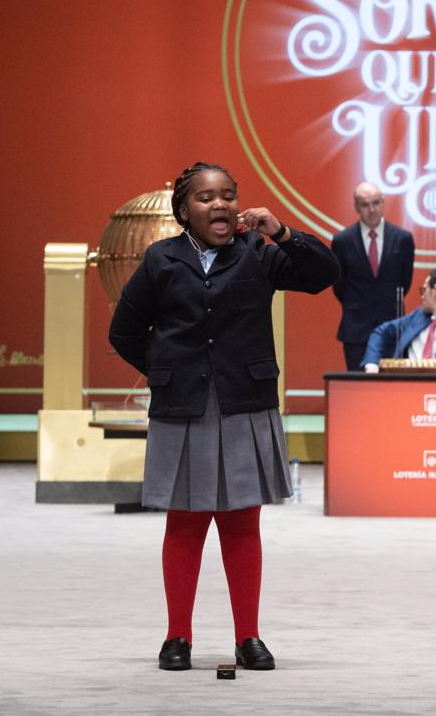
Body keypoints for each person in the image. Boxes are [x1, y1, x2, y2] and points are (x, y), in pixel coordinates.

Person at [109, 161, 340, 672]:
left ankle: (249, 637)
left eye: (229, 195)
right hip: (183, 408)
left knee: (242, 526)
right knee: (184, 525)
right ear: (184, 210)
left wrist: (280, 231)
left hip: (244, 402)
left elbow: (325, 274)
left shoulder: (258, 252)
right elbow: (124, 332)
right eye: (207, 197)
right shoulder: (160, 259)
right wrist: (164, 369)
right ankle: (177, 638)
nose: (221, 205)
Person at [331, 182, 416, 370]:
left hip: (393, 325)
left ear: (383, 203)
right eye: (365, 204)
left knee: (393, 391)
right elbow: (339, 285)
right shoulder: (342, 241)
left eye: (376, 203)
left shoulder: (403, 239)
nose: (372, 209)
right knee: (358, 391)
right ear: (356, 206)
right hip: (356, 328)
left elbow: (405, 282)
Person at [361, 266, 436, 371]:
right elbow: (380, 333)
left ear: (435, 291)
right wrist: (372, 365)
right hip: (405, 388)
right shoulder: (417, 316)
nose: (422, 296)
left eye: (424, 290)